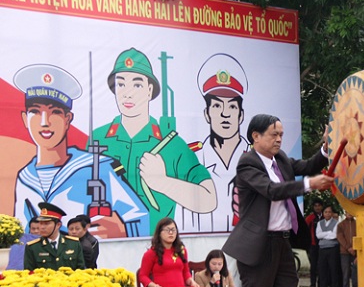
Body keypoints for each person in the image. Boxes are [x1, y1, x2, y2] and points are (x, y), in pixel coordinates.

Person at [221, 114, 333, 287]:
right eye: (273, 134)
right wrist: (309, 185)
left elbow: (307, 165)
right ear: (255, 136)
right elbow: (272, 190)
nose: (279, 139)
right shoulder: (247, 164)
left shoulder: (280, 159)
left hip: (283, 246)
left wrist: (326, 148)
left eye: (281, 134)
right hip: (258, 250)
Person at [13, 63, 149, 238]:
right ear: (25, 119)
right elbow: (22, 235)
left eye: (54, 112)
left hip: (89, 259)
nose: (44, 122)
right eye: (35, 112)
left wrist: (123, 230)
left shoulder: (99, 168)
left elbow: (142, 219)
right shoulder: (25, 177)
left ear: (68, 119)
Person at [91, 48, 217, 233]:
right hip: (107, 249)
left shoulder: (170, 144)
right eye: (121, 84)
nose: (128, 93)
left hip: (155, 247)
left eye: (137, 85)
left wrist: (162, 182)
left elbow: (209, 199)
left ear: (150, 90)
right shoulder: (98, 138)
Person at [178, 53, 251, 233]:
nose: (225, 114)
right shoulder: (192, 161)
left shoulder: (255, 160)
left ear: (241, 115)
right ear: (207, 113)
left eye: (232, 106)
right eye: (217, 106)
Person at [23, 202, 84, 271]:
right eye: (40, 223)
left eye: (46, 223)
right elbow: (29, 273)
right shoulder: (33, 247)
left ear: (58, 225)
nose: (42, 227)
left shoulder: (73, 244)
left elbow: (80, 271)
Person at [316, 205, 340, 287]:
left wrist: (324, 234)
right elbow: (318, 235)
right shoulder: (320, 223)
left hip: (332, 248)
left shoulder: (336, 223)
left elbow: (334, 235)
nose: (327, 214)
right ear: (323, 213)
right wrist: (328, 233)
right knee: (322, 270)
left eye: (329, 212)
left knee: (333, 269)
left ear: (332, 213)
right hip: (322, 249)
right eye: (326, 212)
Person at [336, 210, 356, 287]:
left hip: (356, 251)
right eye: (348, 212)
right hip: (344, 252)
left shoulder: (358, 224)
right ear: (345, 213)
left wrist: (355, 248)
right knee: (346, 272)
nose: (349, 214)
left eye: (351, 212)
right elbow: (340, 237)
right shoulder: (341, 225)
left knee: (356, 272)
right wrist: (348, 247)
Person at [305, 199, 324, 287]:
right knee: (313, 265)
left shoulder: (325, 217)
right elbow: (305, 232)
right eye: (315, 206)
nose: (317, 207)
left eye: (319, 205)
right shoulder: (310, 218)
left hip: (322, 245)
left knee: (322, 265)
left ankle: (321, 284)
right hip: (312, 245)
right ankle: (313, 284)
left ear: (322, 207)